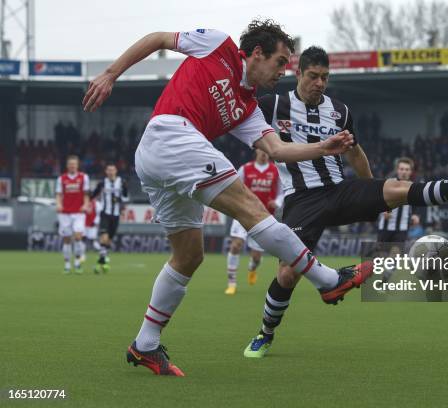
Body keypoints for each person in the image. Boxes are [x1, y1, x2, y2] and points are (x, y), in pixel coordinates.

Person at [83, 19, 366, 376]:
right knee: (251, 208)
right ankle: (327, 281)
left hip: (162, 159)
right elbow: (158, 38)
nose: (284, 71)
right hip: (171, 133)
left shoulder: (248, 107)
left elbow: (277, 149)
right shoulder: (218, 45)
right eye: (280, 62)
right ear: (258, 53)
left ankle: (145, 344)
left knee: (189, 256)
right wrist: (111, 74)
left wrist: (324, 147)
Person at [243, 46, 448, 358]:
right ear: (298, 73)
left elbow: (354, 152)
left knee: (397, 189)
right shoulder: (274, 104)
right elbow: (242, 112)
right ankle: (266, 333)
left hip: (339, 190)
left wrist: (371, 192)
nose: (319, 83)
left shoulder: (338, 110)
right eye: (313, 76)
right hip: (302, 200)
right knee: (288, 274)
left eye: (325, 77)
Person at [225, 149, 282, 295]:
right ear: (256, 151)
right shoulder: (245, 169)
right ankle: (231, 283)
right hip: (243, 212)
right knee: (236, 245)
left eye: (266, 151)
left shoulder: (275, 170)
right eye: (261, 150)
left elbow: (282, 191)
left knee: (256, 257)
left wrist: (277, 202)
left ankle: (252, 268)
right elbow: (235, 187)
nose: (263, 153)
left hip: (263, 216)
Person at [91, 163, 129, 274]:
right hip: (105, 213)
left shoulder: (122, 182)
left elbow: (125, 197)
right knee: (104, 236)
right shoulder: (102, 183)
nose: (111, 172)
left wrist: (122, 205)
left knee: (109, 240)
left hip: (116, 215)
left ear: (116, 171)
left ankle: (101, 260)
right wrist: (87, 202)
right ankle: (103, 261)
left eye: (113, 170)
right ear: (106, 172)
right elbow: (93, 195)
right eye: (109, 170)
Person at [55, 155, 90, 274]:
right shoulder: (62, 178)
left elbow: (86, 194)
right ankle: (67, 264)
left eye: (74, 164)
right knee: (66, 239)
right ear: (67, 165)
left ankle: (77, 262)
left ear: (77, 165)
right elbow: (59, 194)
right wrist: (58, 204)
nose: (72, 166)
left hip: (79, 212)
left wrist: (85, 204)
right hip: (65, 213)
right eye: (70, 164)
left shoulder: (83, 177)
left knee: (78, 236)